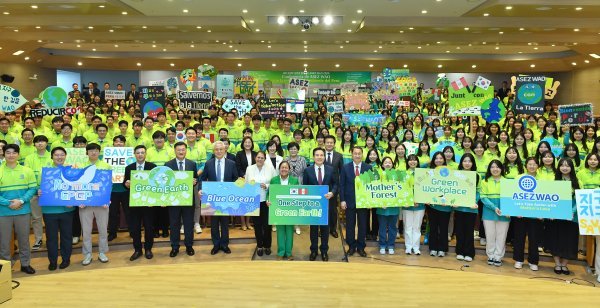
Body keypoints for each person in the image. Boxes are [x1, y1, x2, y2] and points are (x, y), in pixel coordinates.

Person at [0, 144, 37, 274]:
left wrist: (21, 200)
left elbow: (32, 188)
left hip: (23, 210)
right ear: (4, 154)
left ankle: (25, 264)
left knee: (24, 239)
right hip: (3, 212)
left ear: (18, 155)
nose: (11, 155)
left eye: (14, 152)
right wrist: (8, 203)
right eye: (8, 152)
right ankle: (5, 267)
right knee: (4, 241)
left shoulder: (27, 170)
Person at [200, 141, 239, 255]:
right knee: (214, 223)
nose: (219, 151)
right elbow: (202, 178)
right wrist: (200, 190)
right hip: (212, 198)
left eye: (221, 149)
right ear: (213, 151)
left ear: (225, 150)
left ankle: (225, 244)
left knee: (225, 222)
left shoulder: (231, 163)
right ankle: (216, 244)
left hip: (227, 198)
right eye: (216, 149)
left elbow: (236, 179)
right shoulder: (208, 163)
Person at [38, 147, 75, 270]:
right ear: (52, 157)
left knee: (66, 236)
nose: (59, 157)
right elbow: (38, 187)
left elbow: (76, 188)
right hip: (49, 211)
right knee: (51, 238)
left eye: (62, 155)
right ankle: (52, 261)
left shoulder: (71, 171)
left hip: (67, 210)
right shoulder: (45, 172)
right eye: (56, 155)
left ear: (65, 156)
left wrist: (74, 201)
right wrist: (38, 191)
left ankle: (66, 259)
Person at [79, 143, 112, 266]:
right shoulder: (81, 166)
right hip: (85, 203)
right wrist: (79, 200)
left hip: (101, 203)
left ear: (99, 152)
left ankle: (102, 252)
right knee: (86, 230)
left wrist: (107, 199)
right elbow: (77, 185)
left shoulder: (106, 166)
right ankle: (87, 254)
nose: (93, 152)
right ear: (86, 152)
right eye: (91, 150)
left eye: (96, 150)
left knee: (103, 229)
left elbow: (109, 185)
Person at [164, 142, 199, 257]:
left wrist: (194, 182)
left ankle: (189, 246)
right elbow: (165, 181)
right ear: (175, 151)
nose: (181, 152)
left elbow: (196, 179)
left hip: (188, 199)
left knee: (189, 224)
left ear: (186, 151)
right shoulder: (168, 165)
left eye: (183, 150)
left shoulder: (192, 164)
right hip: (173, 200)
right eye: (178, 150)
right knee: (174, 224)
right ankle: (175, 247)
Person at [123, 145, 157, 261]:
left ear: (146, 154)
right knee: (135, 227)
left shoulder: (152, 167)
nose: (140, 155)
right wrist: (126, 184)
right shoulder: (129, 168)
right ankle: (137, 250)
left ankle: (148, 249)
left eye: (142, 152)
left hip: (149, 203)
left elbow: (156, 184)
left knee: (149, 227)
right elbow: (125, 183)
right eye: (138, 153)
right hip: (135, 202)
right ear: (134, 154)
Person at [547, 158, 580, 275]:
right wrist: (551, 212)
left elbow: (579, 200)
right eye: (562, 165)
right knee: (555, 238)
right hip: (556, 216)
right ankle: (557, 263)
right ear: (559, 167)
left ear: (571, 168)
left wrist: (572, 212)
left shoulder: (577, 181)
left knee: (569, 240)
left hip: (572, 216)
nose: (565, 168)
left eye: (567, 166)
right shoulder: (554, 180)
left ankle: (564, 264)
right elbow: (549, 198)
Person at [303, 147, 337, 261]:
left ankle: (324, 251)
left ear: (324, 157)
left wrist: (332, 193)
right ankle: (313, 250)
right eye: (317, 155)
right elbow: (305, 188)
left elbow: (336, 184)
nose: (319, 157)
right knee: (313, 229)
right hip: (312, 206)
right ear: (313, 157)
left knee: (325, 229)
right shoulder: (307, 170)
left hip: (327, 204)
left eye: (321, 155)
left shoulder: (330, 169)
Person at [340, 146, 372, 257]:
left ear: (362, 155)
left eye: (359, 153)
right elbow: (342, 185)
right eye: (355, 153)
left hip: (363, 202)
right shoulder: (345, 167)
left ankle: (361, 247)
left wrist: (370, 201)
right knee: (350, 226)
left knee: (363, 226)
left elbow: (370, 186)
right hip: (349, 201)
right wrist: (342, 200)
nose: (357, 155)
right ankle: (351, 247)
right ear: (352, 155)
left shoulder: (368, 168)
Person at [23, 135, 52, 251]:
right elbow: (27, 176)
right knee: (36, 218)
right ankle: (38, 239)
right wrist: (36, 189)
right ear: (34, 144)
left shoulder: (52, 156)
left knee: (51, 217)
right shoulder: (29, 158)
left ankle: (51, 239)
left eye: (42, 141)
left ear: (46, 143)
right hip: (35, 193)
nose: (40, 144)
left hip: (50, 194)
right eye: (37, 142)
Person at [245, 151, 276, 256]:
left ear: (265, 159)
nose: (260, 159)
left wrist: (266, 186)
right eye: (258, 157)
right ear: (255, 158)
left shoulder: (270, 169)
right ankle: (259, 246)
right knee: (257, 226)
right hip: (254, 201)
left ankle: (267, 245)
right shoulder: (249, 169)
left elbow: (275, 183)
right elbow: (246, 184)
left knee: (267, 225)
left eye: (262, 158)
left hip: (266, 201)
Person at [268, 161, 299, 260]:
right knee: (280, 231)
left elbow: (298, 195)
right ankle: (281, 252)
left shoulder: (294, 180)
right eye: (282, 167)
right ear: (279, 169)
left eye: (286, 168)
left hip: (290, 210)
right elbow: (270, 193)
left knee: (290, 231)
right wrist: (268, 200)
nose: (284, 169)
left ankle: (289, 252)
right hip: (278, 210)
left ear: (289, 169)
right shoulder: (274, 180)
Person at [481, 159, 510, 266]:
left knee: (502, 236)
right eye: (492, 167)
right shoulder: (485, 181)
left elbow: (510, 199)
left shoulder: (507, 182)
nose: (495, 169)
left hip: (504, 212)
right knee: (490, 235)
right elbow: (483, 197)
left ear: (501, 169)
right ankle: (491, 255)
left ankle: (498, 256)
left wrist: (507, 210)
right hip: (489, 212)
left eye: (497, 167)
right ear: (489, 169)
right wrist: (494, 208)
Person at [454, 153, 479, 262]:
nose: (467, 163)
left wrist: (475, 201)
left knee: (469, 231)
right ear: (461, 163)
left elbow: (478, 191)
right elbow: (452, 189)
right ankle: (459, 251)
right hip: (459, 208)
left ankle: (469, 253)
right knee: (459, 231)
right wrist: (453, 201)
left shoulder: (476, 175)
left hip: (471, 208)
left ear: (472, 163)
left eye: (469, 161)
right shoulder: (456, 174)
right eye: (465, 161)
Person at [375, 156, 400, 255]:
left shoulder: (397, 175)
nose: (388, 164)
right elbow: (374, 191)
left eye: (390, 162)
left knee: (392, 227)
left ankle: (391, 245)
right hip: (382, 207)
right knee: (382, 227)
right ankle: (382, 245)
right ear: (382, 165)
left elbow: (401, 190)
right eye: (386, 162)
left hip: (394, 207)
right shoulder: (378, 175)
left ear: (392, 164)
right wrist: (380, 202)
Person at [323, 135, 343, 238]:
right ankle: (322, 229)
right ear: (324, 143)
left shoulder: (339, 156)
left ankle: (333, 229)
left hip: (334, 186)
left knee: (333, 209)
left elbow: (342, 171)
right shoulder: (320, 154)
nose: (329, 144)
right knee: (322, 208)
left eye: (331, 142)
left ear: (334, 144)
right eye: (327, 142)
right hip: (322, 185)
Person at [236, 136, 257, 231]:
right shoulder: (239, 154)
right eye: (246, 142)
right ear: (243, 144)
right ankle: (243, 223)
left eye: (249, 142)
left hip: (253, 181)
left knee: (250, 202)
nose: (248, 144)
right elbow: (238, 167)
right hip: (242, 180)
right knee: (242, 202)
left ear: (252, 144)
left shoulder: (255, 154)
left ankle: (248, 222)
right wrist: (244, 176)